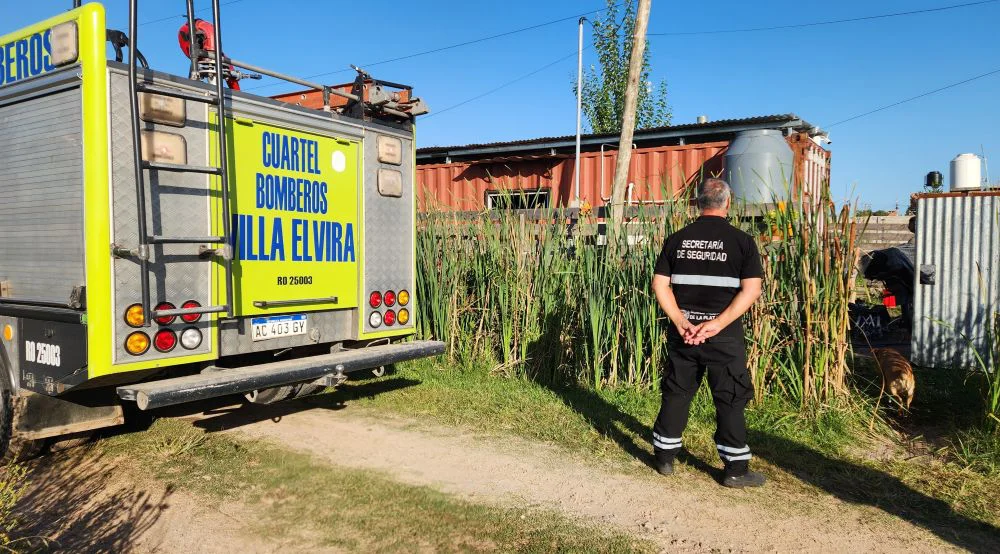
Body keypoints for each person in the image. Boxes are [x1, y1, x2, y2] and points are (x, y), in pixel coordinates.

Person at [650, 178, 765, 488]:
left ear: (698, 203)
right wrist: (718, 323)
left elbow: (660, 284)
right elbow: (751, 290)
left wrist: (679, 319)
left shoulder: (677, 239)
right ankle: (735, 469)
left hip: (684, 333)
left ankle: (664, 457)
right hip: (723, 337)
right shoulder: (742, 241)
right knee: (729, 397)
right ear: (727, 203)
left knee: (677, 391)